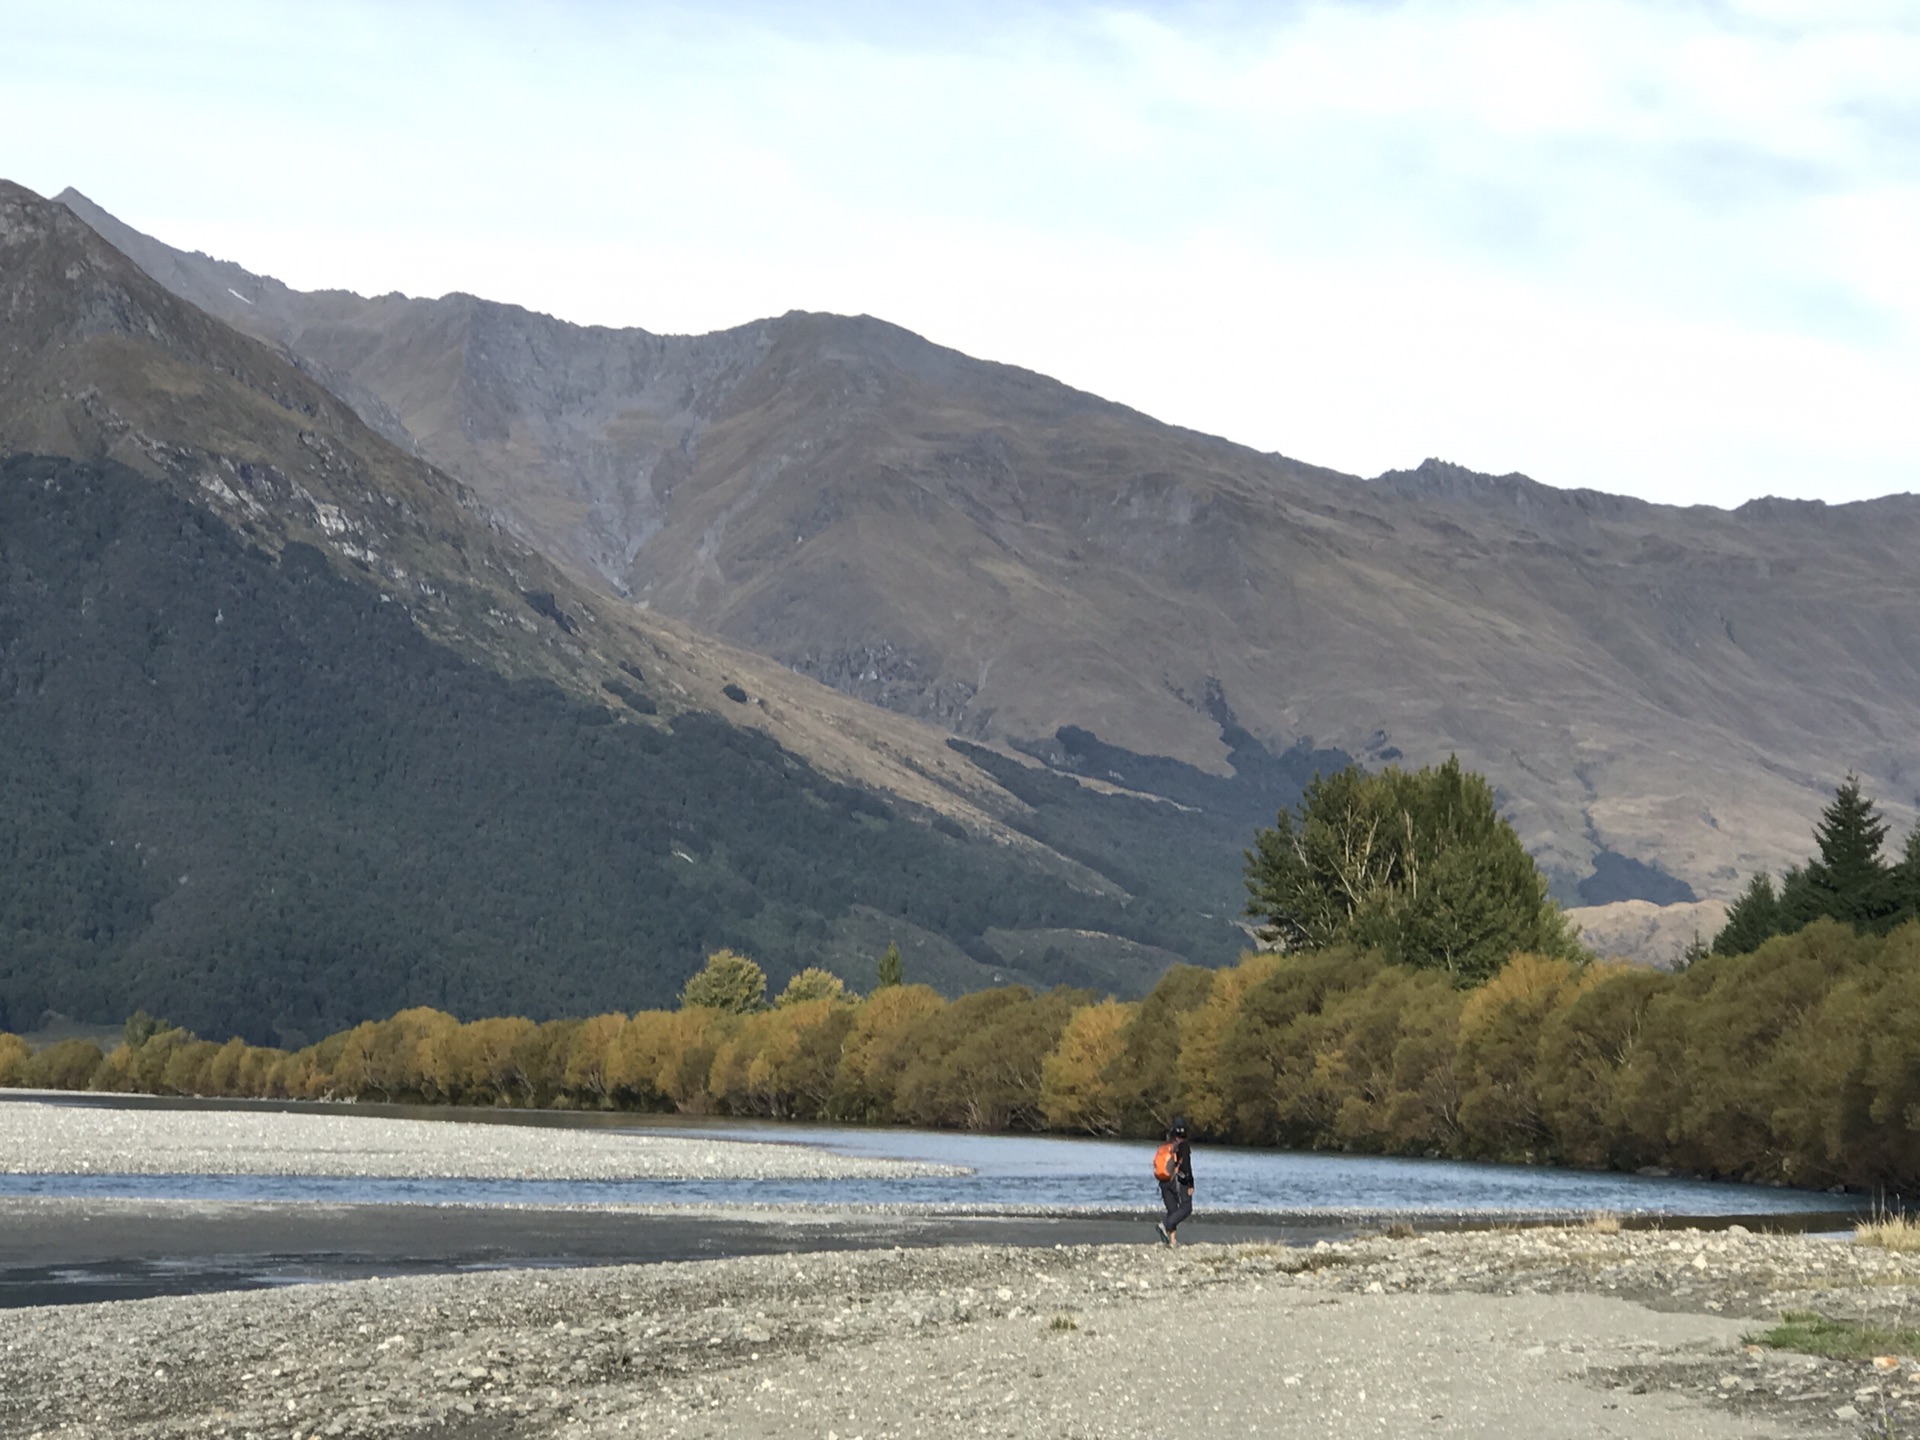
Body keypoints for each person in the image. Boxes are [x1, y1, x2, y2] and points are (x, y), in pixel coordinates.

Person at [1153, 1116, 1193, 1245]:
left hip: (1163, 1181)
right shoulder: (1183, 1145)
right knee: (1186, 1208)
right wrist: (1190, 1183)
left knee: (1173, 1211)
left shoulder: (1166, 1145)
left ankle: (1172, 1241)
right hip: (1177, 1181)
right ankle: (1165, 1225)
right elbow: (1186, 1166)